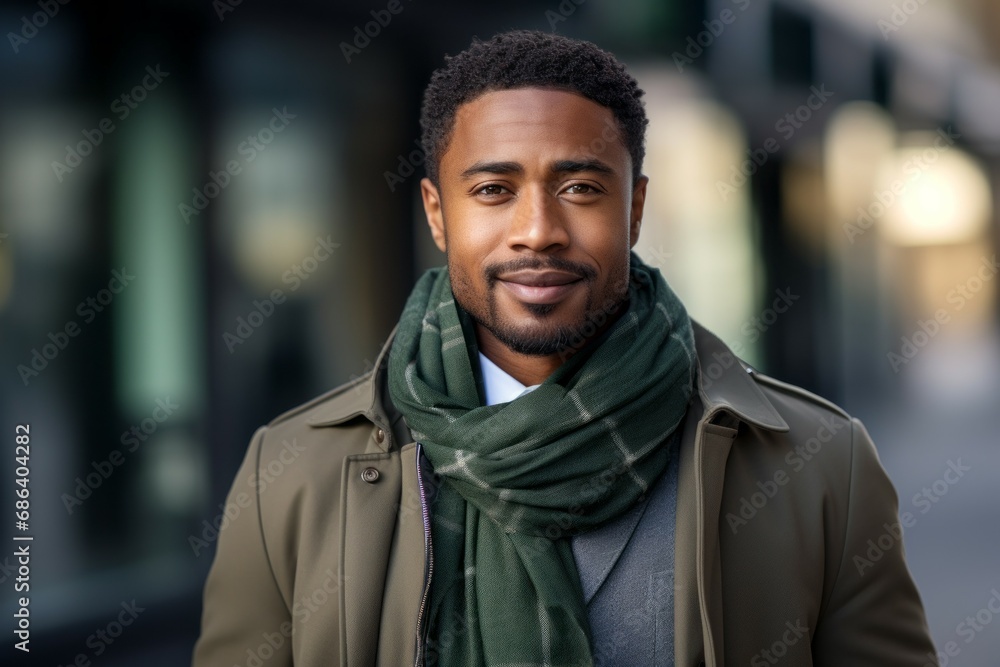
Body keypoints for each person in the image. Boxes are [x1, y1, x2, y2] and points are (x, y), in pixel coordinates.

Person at [193, 29, 936, 666]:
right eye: (492, 190)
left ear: (635, 206)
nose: (538, 229)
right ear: (437, 213)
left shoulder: (816, 464)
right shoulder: (291, 473)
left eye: (580, 187)